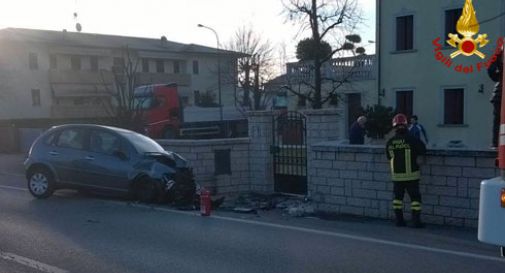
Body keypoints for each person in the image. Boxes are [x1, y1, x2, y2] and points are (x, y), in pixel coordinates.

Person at [386, 113, 427, 228]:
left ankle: (399, 221)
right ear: (406, 125)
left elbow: (389, 157)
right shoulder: (413, 140)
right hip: (412, 176)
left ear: (394, 127)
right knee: (415, 200)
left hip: (397, 177)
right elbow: (423, 150)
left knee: (397, 200)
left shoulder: (390, 142)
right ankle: (416, 221)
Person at [488, 47, 503, 148]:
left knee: (498, 120)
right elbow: (490, 68)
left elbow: (491, 69)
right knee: (498, 119)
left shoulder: (500, 51)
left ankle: (496, 143)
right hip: (501, 90)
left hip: (500, 89)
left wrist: (499, 77)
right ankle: (496, 143)